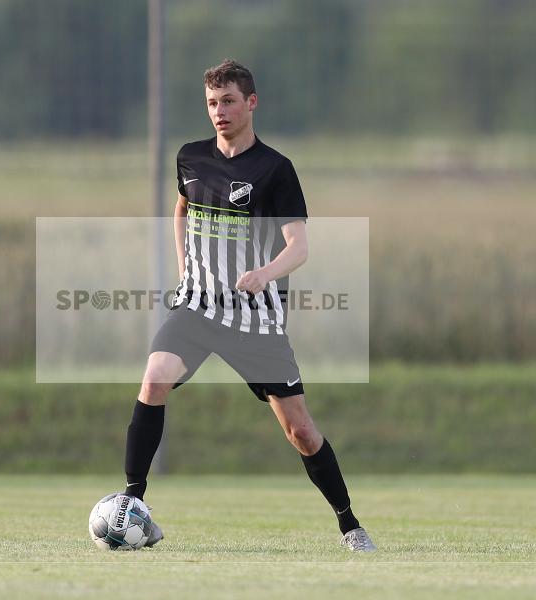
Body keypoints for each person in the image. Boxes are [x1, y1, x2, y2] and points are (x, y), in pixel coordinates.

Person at [121, 59, 376, 552]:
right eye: (212, 103)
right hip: (196, 308)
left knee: (300, 430)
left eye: (229, 101)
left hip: (255, 319)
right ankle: (134, 503)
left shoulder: (275, 170)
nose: (219, 112)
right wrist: (184, 270)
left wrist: (264, 274)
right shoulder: (190, 158)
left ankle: (350, 524)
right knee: (154, 378)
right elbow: (182, 206)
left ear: (251, 103)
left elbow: (298, 247)